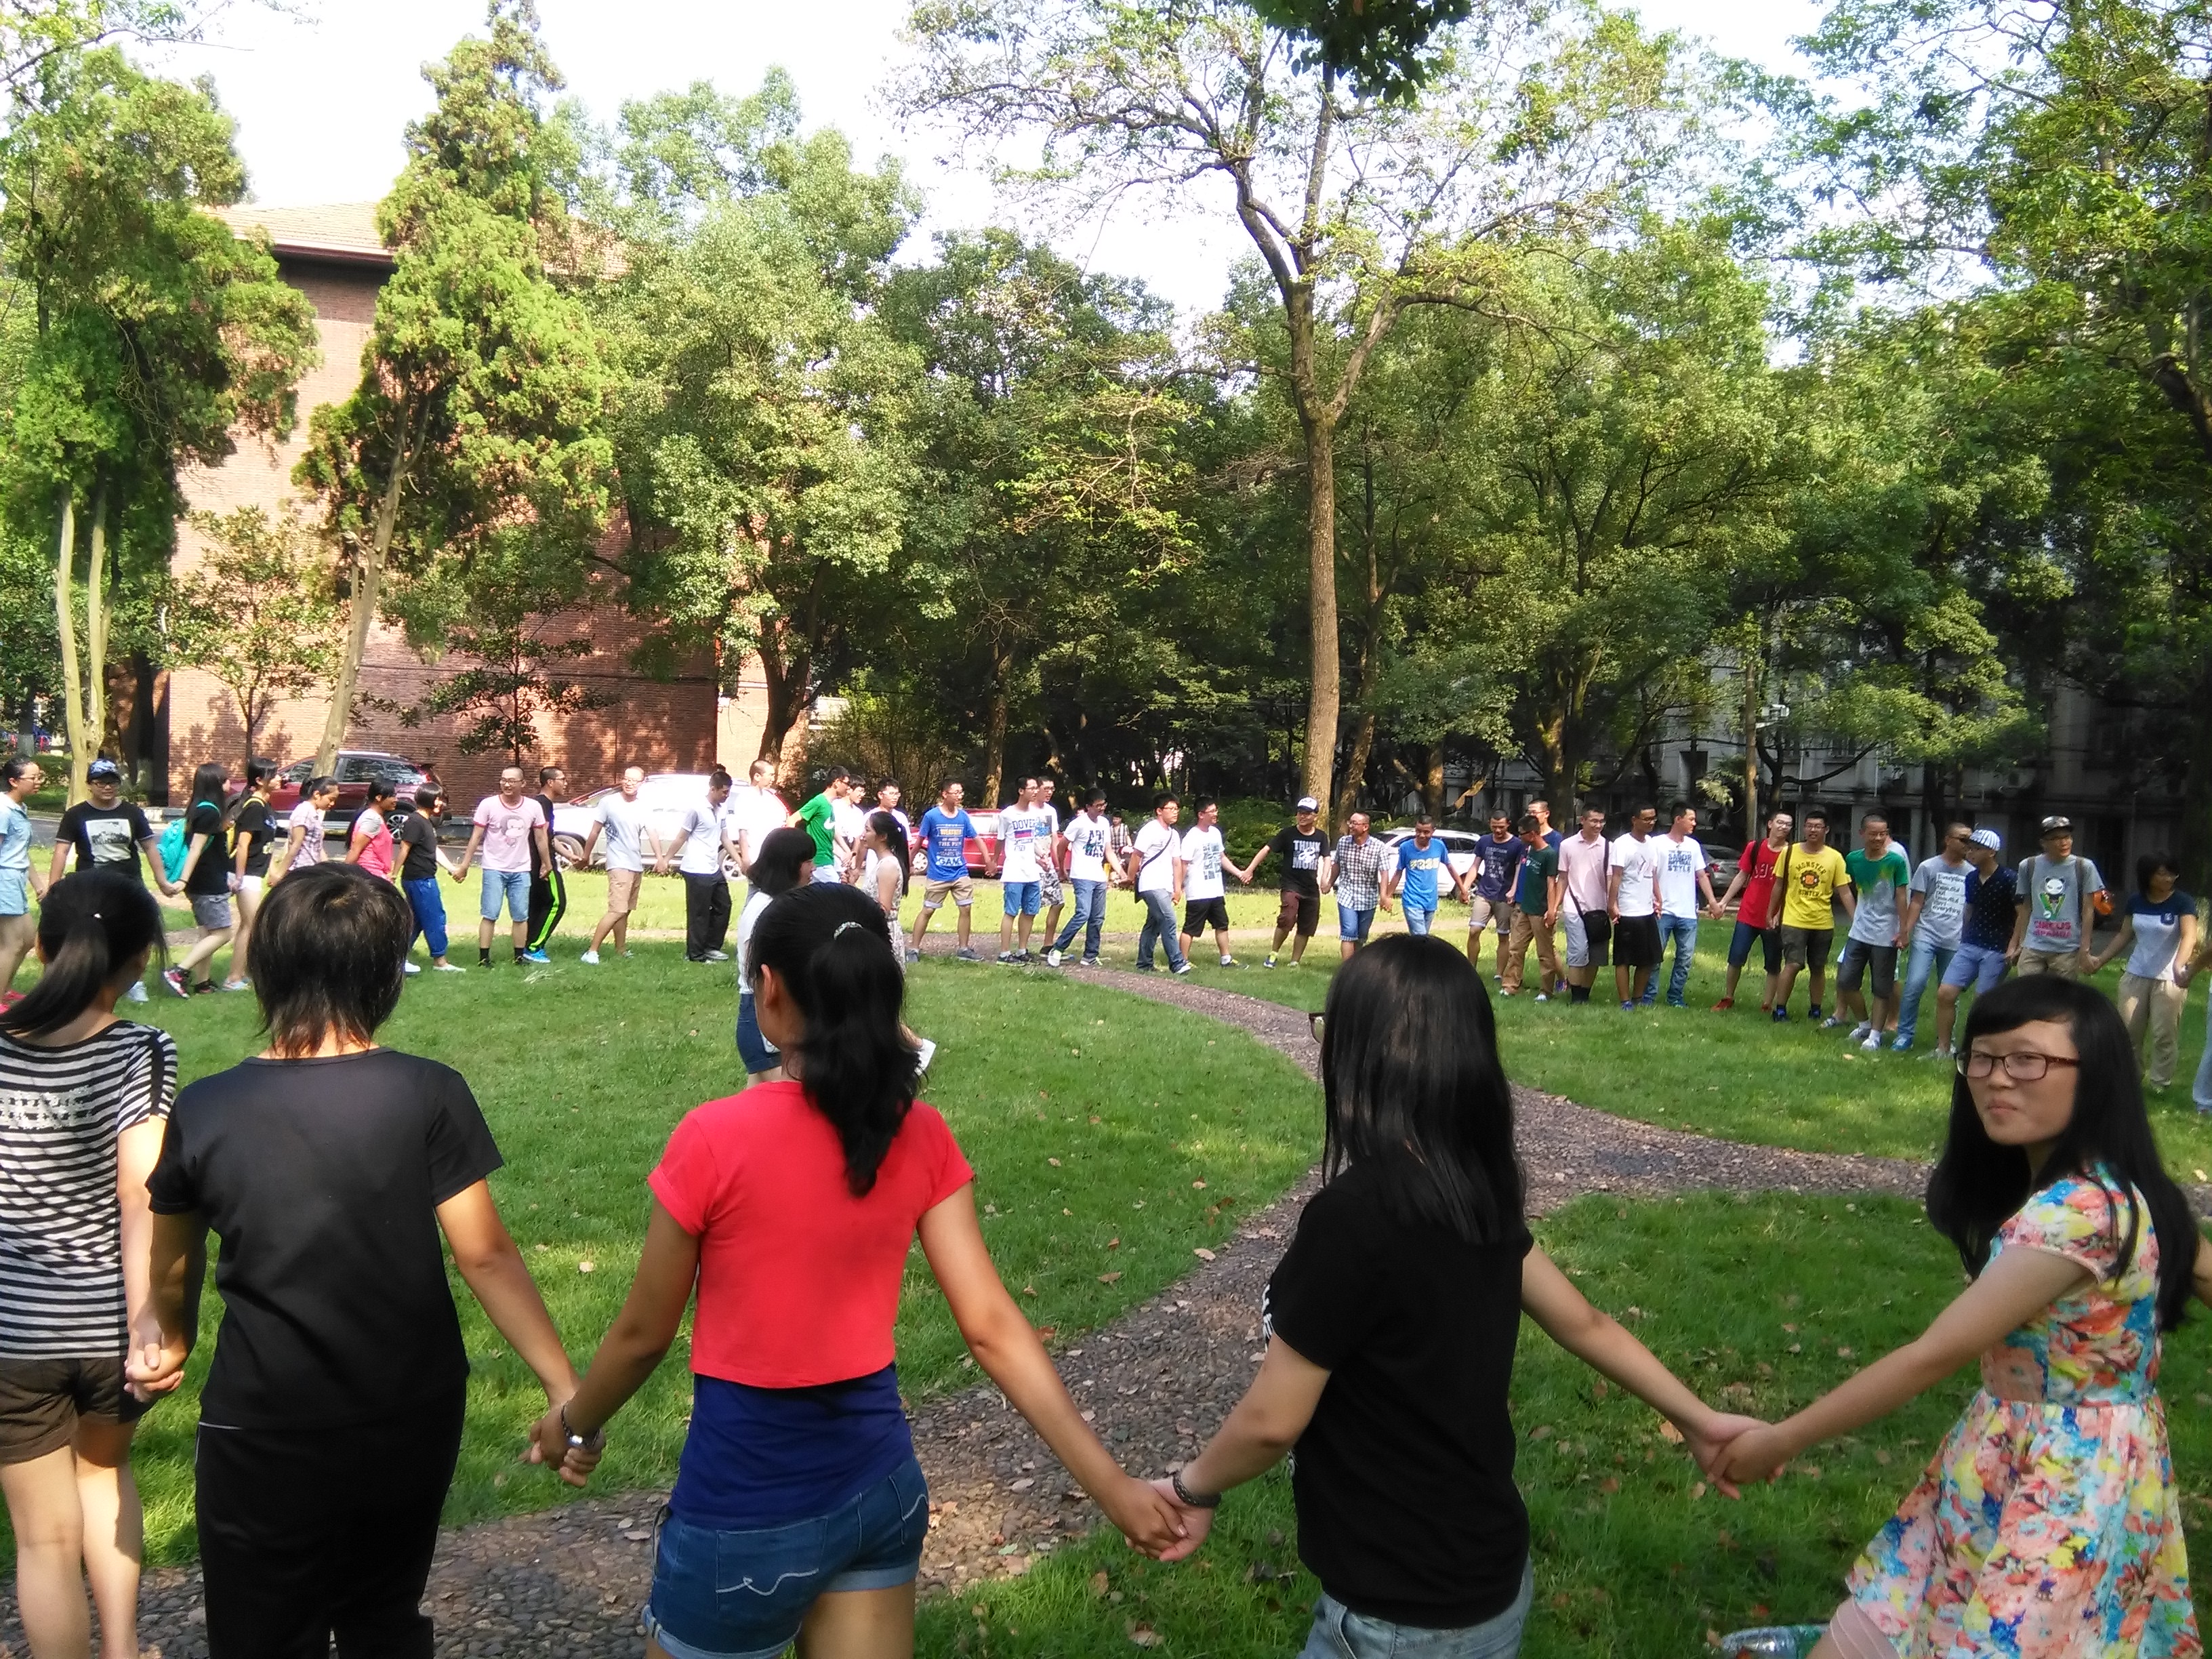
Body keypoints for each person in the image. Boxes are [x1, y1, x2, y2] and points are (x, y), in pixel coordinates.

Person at [531, 883, 1187, 1659]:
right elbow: (992, 1327)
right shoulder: (919, 1133)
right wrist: (1112, 1486)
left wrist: (572, 1423)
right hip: (879, 1496)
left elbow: (644, 1336)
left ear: (769, 990)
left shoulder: (712, 1137)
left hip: (744, 1510)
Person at [1150, 936, 1761, 1656]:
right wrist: (1697, 1418)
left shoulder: (1355, 1218)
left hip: (1401, 1618)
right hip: (1484, 1573)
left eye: (1328, 1030)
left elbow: (1270, 1423)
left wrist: (1190, 1488)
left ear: (1362, 1055)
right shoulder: (1472, 1189)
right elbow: (1586, 1323)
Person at [131, 863, 587, 1658]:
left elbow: (172, 1263)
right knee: (383, 1611)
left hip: (263, 1416)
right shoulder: (427, 1091)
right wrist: (564, 1389)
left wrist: (169, 1336)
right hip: (410, 1407)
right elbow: (485, 1255)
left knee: (261, 1629)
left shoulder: (206, 1107)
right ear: (387, 975)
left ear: (266, 966)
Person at [1714, 977, 2204, 1658]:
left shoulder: (2080, 1212)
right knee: (1903, 1616)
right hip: (2008, 1451)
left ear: (2095, 1075)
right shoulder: (2107, 1186)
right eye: (1983, 1057)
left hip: (2068, 1484)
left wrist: (1780, 1441)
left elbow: (1930, 1355)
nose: (1997, 1079)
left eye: (2028, 1060)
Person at [0, 872, 176, 1659]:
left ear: (40, 950)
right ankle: (124, 1651)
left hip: (13, 1337)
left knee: (43, 1542)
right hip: (109, 1327)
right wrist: (148, 1322)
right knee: (105, 1481)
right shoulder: (142, 1050)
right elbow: (142, 1196)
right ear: (139, 961)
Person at [49, 757, 174, 1002]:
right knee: (95, 933)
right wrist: (54, 887)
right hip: (92, 886)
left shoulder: (132, 812)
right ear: (90, 785)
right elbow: (62, 850)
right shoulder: (76, 814)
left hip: (129, 882)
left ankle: (134, 982)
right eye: (101, 782)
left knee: (136, 931)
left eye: (112, 782)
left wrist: (162, 882)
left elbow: (149, 847)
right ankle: (93, 979)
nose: (107, 787)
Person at [2088, 853, 2197, 1092]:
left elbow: (2190, 936)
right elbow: (2124, 935)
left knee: (2163, 1034)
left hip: (2169, 978)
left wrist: (2179, 965)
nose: (2168, 878)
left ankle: (2160, 1083)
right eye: (2162, 874)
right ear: (2147, 876)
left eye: (2172, 873)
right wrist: (2101, 960)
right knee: (2128, 1030)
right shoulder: (2136, 901)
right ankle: (2131, 1079)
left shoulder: (2183, 902)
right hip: (2136, 974)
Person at [453, 766, 554, 969]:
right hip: (494, 868)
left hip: (521, 869)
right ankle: (484, 958)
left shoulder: (533, 807)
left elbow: (541, 838)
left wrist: (547, 862)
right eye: (503, 780)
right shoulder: (488, 805)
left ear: (523, 783)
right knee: (490, 913)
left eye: (512, 781)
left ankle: (519, 956)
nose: (507, 784)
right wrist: (464, 865)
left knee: (521, 915)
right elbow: (476, 836)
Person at [735, 829, 815, 1082]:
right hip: (765, 1016)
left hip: (768, 1014)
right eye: (808, 861)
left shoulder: (773, 904)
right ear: (791, 865)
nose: (813, 868)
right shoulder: (767, 910)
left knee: (757, 1101)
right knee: (792, 1098)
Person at [1932, 827, 2016, 1062]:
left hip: (1997, 948)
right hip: (1970, 944)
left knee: (1983, 1002)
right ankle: (1943, 1048)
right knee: (1945, 993)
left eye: (1977, 849)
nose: (1970, 853)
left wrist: (2014, 945)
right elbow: (1969, 908)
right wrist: (1964, 934)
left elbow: (2021, 914)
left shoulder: (2010, 879)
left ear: (1992, 852)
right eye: (1969, 848)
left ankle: (1978, 1051)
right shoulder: (1971, 878)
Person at [1891, 823, 1973, 1053]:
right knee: (1915, 984)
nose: (1968, 845)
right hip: (1926, 935)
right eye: (1963, 839)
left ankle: (1946, 1042)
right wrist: (1906, 932)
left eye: (1970, 840)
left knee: (1949, 993)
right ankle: (1905, 1035)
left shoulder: (1971, 872)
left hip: (1955, 939)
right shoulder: (1928, 867)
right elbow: (1917, 901)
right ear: (1948, 840)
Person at [1768, 808, 1854, 1023]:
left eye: (1818, 826)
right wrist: (1771, 912)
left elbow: (1844, 890)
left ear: (1826, 830)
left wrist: (1856, 918)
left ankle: (1815, 1009)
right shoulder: (1789, 852)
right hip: (1794, 919)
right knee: (1793, 964)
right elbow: (1778, 884)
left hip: (1822, 921)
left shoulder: (1835, 857)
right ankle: (1780, 1009)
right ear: (1804, 828)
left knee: (1818, 967)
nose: (1813, 830)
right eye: (1809, 826)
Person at [161, 763, 238, 998]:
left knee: (208, 932)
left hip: (204, 881)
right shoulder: (210, 812)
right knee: (223, 933)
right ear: (217, 783)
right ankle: (178, 972)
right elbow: (195, 848)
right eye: (226, 780)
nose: (229, 784)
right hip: (207, 883)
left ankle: (202, 983)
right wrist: (183, 880)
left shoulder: (200, 808)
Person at [1835, 812, 1910, 1047]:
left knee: (1881, 987)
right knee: (1846, 980)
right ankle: (1864, 1024)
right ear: (1862, 834)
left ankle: (1875, 1035)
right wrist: (1855, 913)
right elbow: (1847, 887)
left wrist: (1904, 930)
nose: (1878, 838)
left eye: (1883, 834)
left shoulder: (1896, 861)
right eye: (1873, 834)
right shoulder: (1854, 859)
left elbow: (1901, 896)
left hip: (1886, 933)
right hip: (1859, 932)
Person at [2008, 815, 2106, 979]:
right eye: (2056, 839)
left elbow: (2088, 911)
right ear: (2043, 843)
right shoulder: (2028, 866)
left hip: (2067, 948)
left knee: (2060, 994)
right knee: (2027, 992)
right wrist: (2022, 943)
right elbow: (2026, 908)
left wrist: (2085, 950)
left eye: (2067, 837)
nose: (2064, 843)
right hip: (2034, 945)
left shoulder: (2084, 867)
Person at [1712, 811, 1792, 1012]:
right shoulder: (1755, 847)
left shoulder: (1791, 853)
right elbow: (1742, 876)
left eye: (1788, 824)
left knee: (1773, 962)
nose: (1783, 827)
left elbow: (1790, 887)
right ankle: (1728, 997)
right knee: (1736, 957)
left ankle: (1767, 1004)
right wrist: (1724, 901)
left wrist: (1779, 913)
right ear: (1770, 824)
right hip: (1748, 913)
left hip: (1774, 917)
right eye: (1780, 822)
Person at [580, 766, 659, 965]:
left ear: (642, 783)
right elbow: (595, 831)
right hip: (618, 863)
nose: (629, 783)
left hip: (635, 864)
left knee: (626, 910)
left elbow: (652, 833)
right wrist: (585, 856)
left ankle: (621, 949)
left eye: (634, 780)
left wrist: (660, 858)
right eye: (626, 779)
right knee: (617, 910)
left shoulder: (643, 806)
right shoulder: (609, 802)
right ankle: (591, 951)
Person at [908, 780, 993, 963]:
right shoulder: (932, 816)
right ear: (945, 794)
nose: (960, 796)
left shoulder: (963, 817)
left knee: (966, 908)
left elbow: (977, 838)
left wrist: (988, 860)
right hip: (938, 874)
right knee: (928, 910)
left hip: (960, 872)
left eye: (961, 792)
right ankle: (913, 949)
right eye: (956, 792)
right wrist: (909, 863)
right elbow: (919, 842)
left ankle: (963, 949)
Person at [1240, 796, 1328, 969]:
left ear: (1315, 816)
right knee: (1287, 918)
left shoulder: (1321, 836)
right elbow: (1266, 849)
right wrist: (1249, 869)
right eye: (1300, 813)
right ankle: (1273, 954)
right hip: (1291, 885)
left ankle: (1295, 961)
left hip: (1311, 888)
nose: (1302, 816)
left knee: (1306, 926)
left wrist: (1325, 879)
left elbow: (1327, 858)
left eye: (1307, 813)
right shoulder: (1288, 834)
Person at [1649, 803, 1717, 1009]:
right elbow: (1651, 874)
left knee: (1685, 958)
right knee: (1654, 956)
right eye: (1691, 819)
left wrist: (1713, 902)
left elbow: (1701, 876)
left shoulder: (1694, 846)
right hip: (1663, 911)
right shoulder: (1657, 844)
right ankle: (1648, 996)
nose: (1695, 823)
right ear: (1678, 819)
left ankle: (1675, 996)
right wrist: (1655, 899)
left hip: (1687, 912)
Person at [663, 769, 735, 964]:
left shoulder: (721, 809)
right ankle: (695, 954)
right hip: (696, 868)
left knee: (724, 906)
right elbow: (681, 837)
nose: (727, 796)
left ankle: (711, 947)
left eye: (728, 792)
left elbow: (725, 838)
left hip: (713, 868)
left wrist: (740, 860)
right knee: (699, 913)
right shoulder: (696, 809)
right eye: (724, 792)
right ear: (713, 789)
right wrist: (666, 859)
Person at [223, 760, 281, 994]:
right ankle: (233, 979)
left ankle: (243, 973)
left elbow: (266, 844)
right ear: (259, 780)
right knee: (252, 924)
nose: (279, 779)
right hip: (246, 874)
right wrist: (239, 877)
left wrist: (273, 871)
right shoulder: (254, 807)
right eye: (274, 776)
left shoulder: (266, 806)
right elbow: (243, 845)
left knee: (250, 925)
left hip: (256, 873)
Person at [396, 788, 466, 974]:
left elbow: (432, 850)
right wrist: (393, 874)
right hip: (420, 880)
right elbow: (404, 848)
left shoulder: (425, 822)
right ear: (428, 799)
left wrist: (452, 869)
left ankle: (397, 957)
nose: (441, 803)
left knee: (416, 921)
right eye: (438, 799)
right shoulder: (415, 822)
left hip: (422, 879)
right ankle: (440, 961)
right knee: (435, 918)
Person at [1046, 790, 1113, 968]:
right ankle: (1058, 948)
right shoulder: (1078, 824)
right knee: (1083, 913)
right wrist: (1062, 868)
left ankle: (1090, 955)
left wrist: (1122, 873)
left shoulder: (1104, 823)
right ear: (1088, 807)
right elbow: (1062, 846)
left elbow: (1108, 851)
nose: (1102, 808)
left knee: (1097, 918)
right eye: (1098, 805)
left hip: (1099, 876)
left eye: (1104, 804)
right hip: (1082, 876)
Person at [0, 756, 48, 995]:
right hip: (4, 881)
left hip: (16, 881)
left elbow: (21, 851)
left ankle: (6, 989)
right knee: (12, 943)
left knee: (28, 939)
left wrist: (39, 886)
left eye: (40, 777)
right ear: (14, 781)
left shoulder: (20, 808)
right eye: (33, 778)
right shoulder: (3, 810)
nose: (38, 782)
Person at [1606, 804, 1662, 1010]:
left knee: (1648, 959)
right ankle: (1625, 1000)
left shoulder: (1651, 844)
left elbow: (1652, 873)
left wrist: (1658, 897)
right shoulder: (1622, 844)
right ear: (1634, 820)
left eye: (1653, 818)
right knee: (1624, 959)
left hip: (1647, 910)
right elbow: (1617, 876)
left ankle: (1638, 997)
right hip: (1628, 910)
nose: (1651, 822)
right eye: (1646, 819)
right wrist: (1612, 904)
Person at [1555, 805, 1612, 1005]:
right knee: (1578, 951)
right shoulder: (1567, 845)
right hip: (1574, 906)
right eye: (1594, 821)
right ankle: (1576, 996)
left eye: (1601, 821)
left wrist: (1613, 905)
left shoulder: (1609, 847)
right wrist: (1555, 906)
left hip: (1600, 908)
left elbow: (1612, 879)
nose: (1598, 825)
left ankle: (1585, 995)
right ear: (1583, 821)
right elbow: (1562, 878)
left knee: (1596, 955)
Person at [1130, 794, 1191, 975]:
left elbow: (1176, 862)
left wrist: (1177, 888)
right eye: (1171, 809)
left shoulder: (1174, 834)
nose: (1175, 812)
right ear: (1159, 811)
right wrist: (1130, 877)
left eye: (1177, 809)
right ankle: (1177, 962)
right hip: (1151, 884)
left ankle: (1144, 963)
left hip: (1165, 885)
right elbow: (1137, 855)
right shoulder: (1150, 830)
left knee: (1154, 925)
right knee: (1168, 919)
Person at [1502, 814, 1561, 998]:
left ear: (1533, 834)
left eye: (1522, 833)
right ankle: (1510, 986)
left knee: (1545, 953)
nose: (1519, 837)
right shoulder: (1528, 850)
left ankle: (1546, 991)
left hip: (1540, 911)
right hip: (1524, 908)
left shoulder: (1549, 854)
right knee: (1516, 948)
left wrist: (1551, 910)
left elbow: (1552, 884)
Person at [996, 777, 1054, 964]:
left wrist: (1041, 856)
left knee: (1030, 911)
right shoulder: (1007, 815)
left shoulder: (1034, 815)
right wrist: (993, 861)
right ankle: (1004, 954)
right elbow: (1000, 840)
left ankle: (1022, 950)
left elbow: (1031, 840)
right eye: (1032, 788)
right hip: (1014, 871)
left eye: (1037, 788)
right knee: (1011, 912)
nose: (1036, 791)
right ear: (1021, 791)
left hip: (1032, 872)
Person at [1384, 813, 1464, 943]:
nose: (1421, 835)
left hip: (1431, 901)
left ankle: (1411, 956)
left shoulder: (1439, 846)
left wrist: (1463, 890)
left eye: (1426, 832)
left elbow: (1450, 867)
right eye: (1418, 831)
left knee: (1421, 940)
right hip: (1412, 901)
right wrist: (1387, 896)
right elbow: (1398, 872)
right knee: (1421, 939)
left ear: (1433, 831)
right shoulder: (1406, 848)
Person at [1465, 812, 1525, 979]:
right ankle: (1471, 970)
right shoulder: (1484, 841)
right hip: (1484, 893)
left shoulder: (1517, 844)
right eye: (1494, 826)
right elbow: (1475, 866)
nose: (1498, 830)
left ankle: (1499, 974)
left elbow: (1519, 869)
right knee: (1474, 931)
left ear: (1508, 824)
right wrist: (1465, 887)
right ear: (1489, 824)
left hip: (1504, 896)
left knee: (1503, 935)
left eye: (1501, 827)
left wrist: (1514, 890)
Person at [1179, 798, 1237, 966]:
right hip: (1198, 891)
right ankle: (1182, 961)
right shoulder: (1192, 837)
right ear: (1201, 815)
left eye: (1216, 810)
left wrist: (1239, 873)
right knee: (1191, 928)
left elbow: (1221, 857)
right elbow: (1184, 864)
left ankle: (1226, 959)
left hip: (1215, 890)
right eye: (1212, 811)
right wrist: (1179, 887)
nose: (1215, 814)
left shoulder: (1215, 833)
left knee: (1222, 924)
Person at [524, 764, 568, 964]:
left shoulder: (540, 803)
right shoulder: (543, 804)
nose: (565, 783)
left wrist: (570, 855)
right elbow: (541, 836)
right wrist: (546, 863)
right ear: (550, 782)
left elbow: (549, 837)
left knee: (538, 905)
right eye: (562, 779)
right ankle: (534, 947)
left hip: (533, 864)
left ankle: (527, 945)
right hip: (542, 864)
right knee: (556, 903)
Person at [267, 775, 337, 884]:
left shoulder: (313, 813)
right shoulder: (305, 812)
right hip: (301, 872)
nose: (332, 804)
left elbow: (318, 847)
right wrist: (279, 875)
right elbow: (296, 845)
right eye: (331, 799)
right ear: (317, 795)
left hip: (312, 871)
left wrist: (329, 869)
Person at [792, 767, 855, 885]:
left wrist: (846, 851)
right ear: (837, 782)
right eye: (847, 784)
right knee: (839, 891)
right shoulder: (819, 802)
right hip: (819, 862)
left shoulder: (829, 805)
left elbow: (831, 830)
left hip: (827, 860)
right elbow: (792, 820)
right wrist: (795, 849)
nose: (848, 788)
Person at [730, 759, 788, 878]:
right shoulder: (745, 798)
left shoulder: (769, 797)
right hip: (756, 857)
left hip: (773, 856)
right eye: (770, 775)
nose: (773, 779)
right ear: (757, 776)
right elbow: (742, 832)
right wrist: (746, 859)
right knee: (758, 886)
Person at [1032, 778, 1067, 951]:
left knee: (1058, 902)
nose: (1049, 792)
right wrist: (1037, 859)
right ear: (1037, 789)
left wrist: (1059, 866)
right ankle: (1022, 947)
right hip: (1032, 865)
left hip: (1048, 866)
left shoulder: (1051, 811)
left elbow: (1054, 839)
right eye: (1046, 788)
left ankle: (1048, 944)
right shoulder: (1027, 811)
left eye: (1052, 789)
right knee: (1031, 907)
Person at [342, 776, 399, 878]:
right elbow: (355, 850)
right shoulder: (372, 819)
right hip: (370, 874)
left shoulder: (374, 816)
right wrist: (342, 876)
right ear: (379, 798)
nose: (396, 800)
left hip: (374, 874)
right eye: (392, 796)